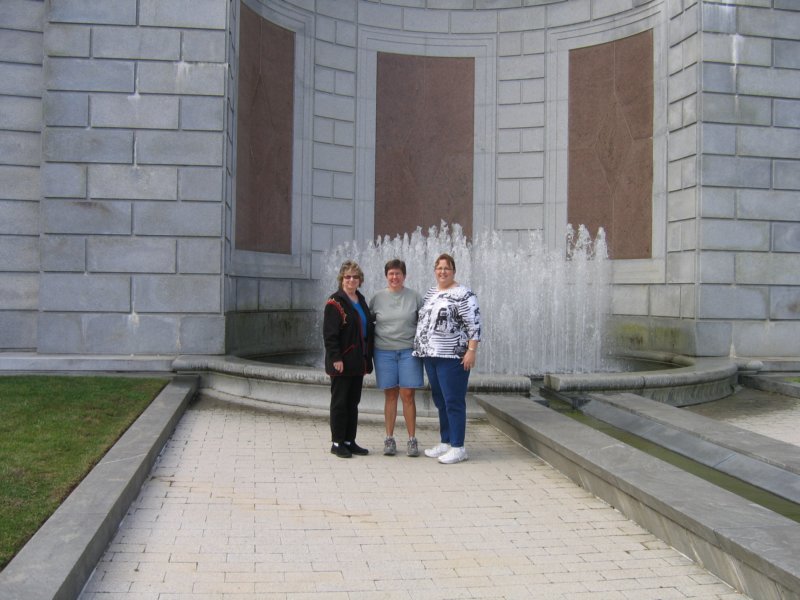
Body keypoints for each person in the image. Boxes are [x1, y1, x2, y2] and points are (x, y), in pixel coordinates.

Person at [413, 253, 481, 464]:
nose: (442, 272)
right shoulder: (432, 292)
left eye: (447, 268)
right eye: (439, 268)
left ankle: (459, 447)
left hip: (453, 356)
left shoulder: (464, 294)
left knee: (454, 400)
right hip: (430, 355)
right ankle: (446, 441)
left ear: (454, 271)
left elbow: (474, 324)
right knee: (441, 400)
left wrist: (471, 350)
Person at [369, 259, 424, 457]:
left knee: (408, 394)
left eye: (398, 274)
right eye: (391, 274)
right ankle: (389, 438)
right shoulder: (377, 298)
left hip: (408, 351)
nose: (394, 277)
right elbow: (368, 323)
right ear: (386, 276)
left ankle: (411, 439)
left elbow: (424, 324)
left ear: (404, 275)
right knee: (390, 394)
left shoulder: (415, 297)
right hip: (384, 352)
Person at [323, 260, 374, 458]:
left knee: (353, 402)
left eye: (355, 277)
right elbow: (330, 335)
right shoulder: (334, 302)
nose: (351, 280)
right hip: (342, 362)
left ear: (360, 280)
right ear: (341, 280)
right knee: (340, 403)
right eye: (347, 277)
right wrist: (336, 358)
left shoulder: (360, 300)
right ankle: (337, 443)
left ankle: (349, 441)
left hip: (357, 362)